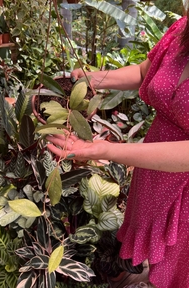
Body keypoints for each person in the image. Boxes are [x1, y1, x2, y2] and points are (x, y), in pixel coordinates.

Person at [46, 15, 189, 288]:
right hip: (153, 168)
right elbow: (142, 72)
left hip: (184, 186)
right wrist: (93, 79)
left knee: (179, 268)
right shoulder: (182, 29)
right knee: (157, 253)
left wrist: (105, 149)